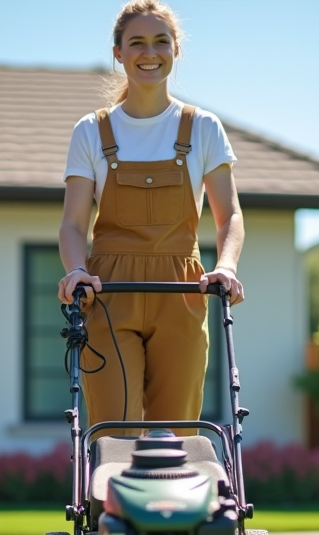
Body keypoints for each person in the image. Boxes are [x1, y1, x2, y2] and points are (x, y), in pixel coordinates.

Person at [58, 0, 245, 433]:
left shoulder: (202, 128)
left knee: (176, 434)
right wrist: (76, 271)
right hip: (109, 292)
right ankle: (108, 500)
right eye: (137, 42)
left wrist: (226, 266)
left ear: (176, 49)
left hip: (180, 289)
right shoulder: (91, 130)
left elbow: (229, 214)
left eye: (161, 41)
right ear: (118, 52)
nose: (150, 52)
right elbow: (72, 224)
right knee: (113, 432)